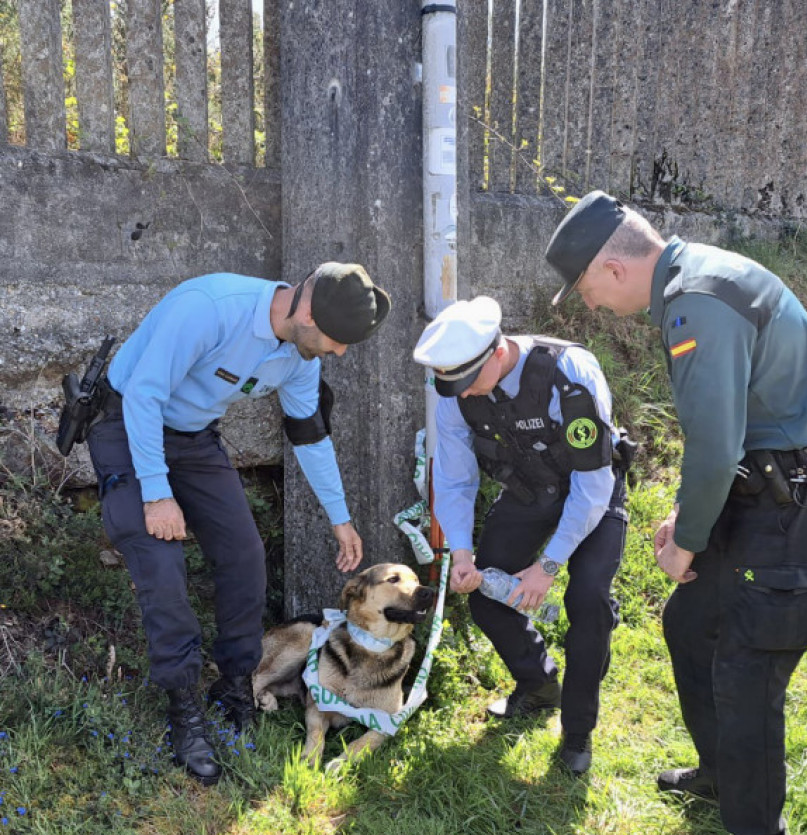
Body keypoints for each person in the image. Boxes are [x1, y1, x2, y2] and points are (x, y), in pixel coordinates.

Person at [545, 191, 807, 835]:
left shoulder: (697, 301)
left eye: (587, 289)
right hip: (769, 482)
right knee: (691, 624)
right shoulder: (690, 285)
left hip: (801, 494)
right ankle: (724, 771)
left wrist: (688, 541)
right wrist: (691, 511)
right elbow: (719, 433)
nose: (589, 307)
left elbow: (718, 444)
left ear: (613, 266)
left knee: (749, 665)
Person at [85, 263, 390, 785]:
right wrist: (157, 494)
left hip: (193, 437)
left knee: (245, 556)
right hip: (128, 423)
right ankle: (185, 712)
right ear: (307, 310)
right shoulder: (209, 309)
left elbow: (309, 433)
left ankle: (233, 686)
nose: (338, 352)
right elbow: (143, 394)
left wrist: (340, 518)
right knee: (162, 564)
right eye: (336, 340)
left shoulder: (299, 351)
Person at [413, 296, 629, 775]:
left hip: (591, 492)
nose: (465, 396)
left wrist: (548, 566)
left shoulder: (568, 372)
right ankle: (538, 684)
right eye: (455, 388)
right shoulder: (456, 390)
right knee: (488, 594)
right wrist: (462, 554)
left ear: (497, 353)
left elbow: (593, 487)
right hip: (529, 493)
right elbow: (453, 477)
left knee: (588, 601)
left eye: (471, 384)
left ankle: (577, 732)